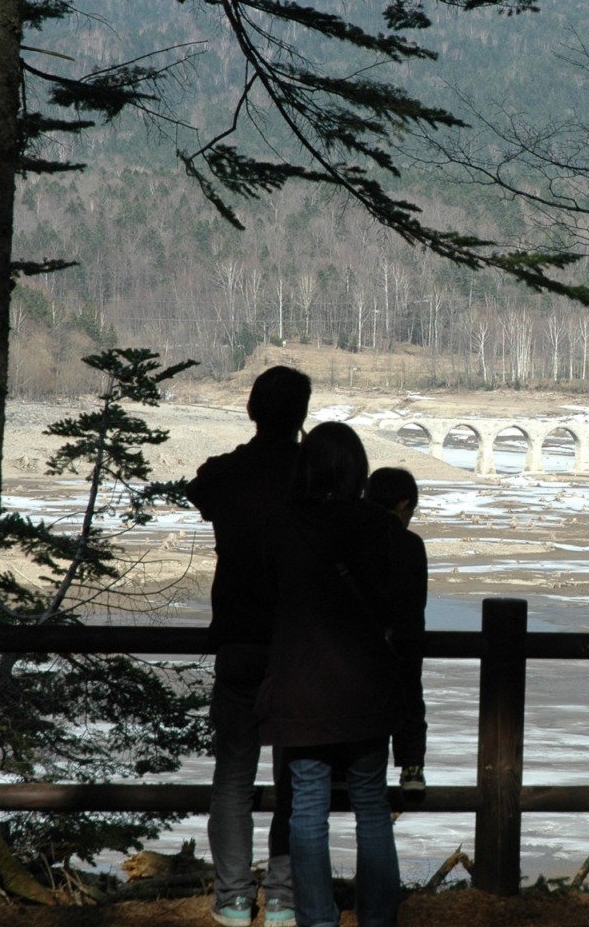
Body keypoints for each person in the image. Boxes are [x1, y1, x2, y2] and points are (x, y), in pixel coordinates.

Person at [260, 424, 427, 927]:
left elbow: (266, 602)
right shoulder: (382, 530)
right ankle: (378, 917)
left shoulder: (284, 525)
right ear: (357, 468)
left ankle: (316, 918)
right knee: (371, 805)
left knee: (307, 809)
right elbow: (401, 612)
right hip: (367, 686)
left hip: (302, 687)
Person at [188, 366, 311, 927]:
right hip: (300, 641)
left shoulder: (227, 475)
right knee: (296, 776)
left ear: (251, 410)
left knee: (233, 776)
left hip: (239, 635)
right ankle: (284, 897)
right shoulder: (313, 476)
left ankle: (235, 898)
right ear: (302, 415)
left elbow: (202, 488)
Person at [367, 466, 429, 802]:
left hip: (361, 647)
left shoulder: (356, 540)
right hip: (405, 644)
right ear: (404, 505)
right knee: (410, 706)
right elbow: (417, 600)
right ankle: (412, 768)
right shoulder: (410, 544)